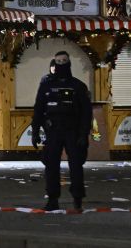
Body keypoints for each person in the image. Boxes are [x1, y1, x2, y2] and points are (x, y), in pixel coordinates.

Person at [30, 50, 92, 211]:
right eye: (58, 61)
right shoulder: (46, 85)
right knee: (51, 166)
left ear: (69, 63)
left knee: (76, 166)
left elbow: (86, 113)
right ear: (54, 63)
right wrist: (35, 131)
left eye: (64, 61)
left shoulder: (78, 86)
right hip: (53, 131)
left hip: (73, 131)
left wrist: (84, 134)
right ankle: (52, 199)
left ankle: (77, 199)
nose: (61, 64)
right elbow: (38, 109)